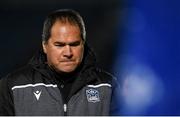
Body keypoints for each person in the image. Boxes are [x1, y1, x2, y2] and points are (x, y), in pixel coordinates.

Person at [0, 9, 121, 116]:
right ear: (45, 46)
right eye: (59, 45)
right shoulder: (13, 86)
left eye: (74, 44)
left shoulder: (107, 86)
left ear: (83, 45)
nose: (68, 52)